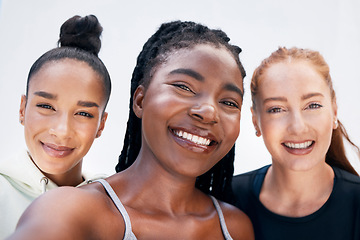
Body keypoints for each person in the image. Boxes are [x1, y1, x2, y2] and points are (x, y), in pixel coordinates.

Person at [7, 20, 254, 240]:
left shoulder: (234, 227)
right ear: (140, 101)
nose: (209, 111)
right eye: (184, 87)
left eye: (229, 102)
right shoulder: (72, 210)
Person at [228, 47, 360, 240]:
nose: (297, 127)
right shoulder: (226, 201)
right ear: (256, 121)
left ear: (334, 112)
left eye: (312, 105)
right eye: (276, 109)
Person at [0, 14, 111, 238]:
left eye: (83, 113)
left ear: (101, 125)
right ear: (23, 108)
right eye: (46, 106)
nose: (61, 130)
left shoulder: (113, 204)